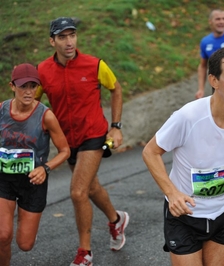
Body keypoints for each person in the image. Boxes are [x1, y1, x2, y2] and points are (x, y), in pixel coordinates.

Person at [142, 47, 224, 265]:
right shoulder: (188, 117)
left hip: (223, 212)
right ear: (214, 80)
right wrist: (172, 193)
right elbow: (150, 152)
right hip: (185, 216)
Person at [35, 17, 129, 266]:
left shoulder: (95, 65)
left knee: (78, 192)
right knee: (91, 187)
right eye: (63, 37)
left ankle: (85, 252)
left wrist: (116, 127)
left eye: (72, 35)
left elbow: (116, 89)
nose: (69, 42)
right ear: (52, 41)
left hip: (93, 135)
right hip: (67, 142)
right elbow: (33, 104)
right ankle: (117, 220)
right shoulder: (42, 71)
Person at [0, 63, 70, 266]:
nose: (29, 91)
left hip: (33, 181)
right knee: (3, 235)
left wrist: (45, 168)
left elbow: (65, 150)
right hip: (4, 179)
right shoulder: (2, 110)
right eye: (23, 86)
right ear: (12, 86)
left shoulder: (45, 116)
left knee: (25, 244)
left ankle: (27, 229)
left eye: (33, 86)